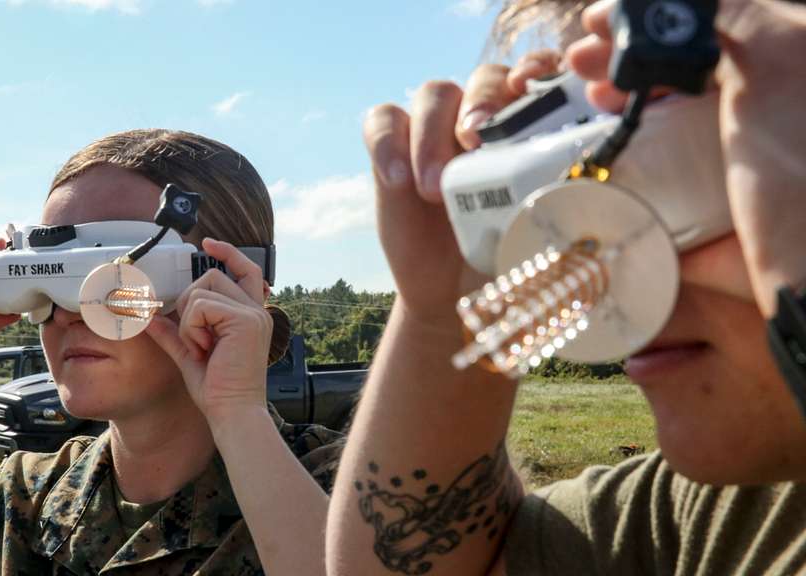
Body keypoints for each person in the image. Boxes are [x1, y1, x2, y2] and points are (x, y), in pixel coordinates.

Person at [326, 1, 806, 575]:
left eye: (660, 141)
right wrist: (451, 295)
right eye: (587, 148)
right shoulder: (720, 516)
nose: (613, 247)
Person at [0, 129, 343, 575]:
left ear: (237, 283)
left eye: (118, 273)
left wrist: (237, 413)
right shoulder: (7, 509)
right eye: (49, 277)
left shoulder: (348, 488)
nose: (71, 311)